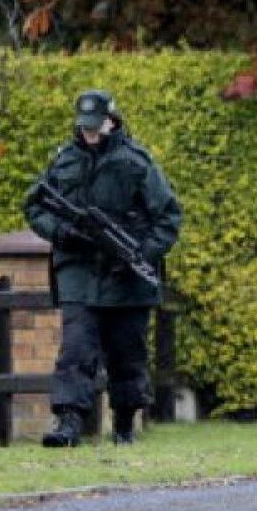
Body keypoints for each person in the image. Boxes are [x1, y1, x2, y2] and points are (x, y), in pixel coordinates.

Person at [24, 89, 182, 447]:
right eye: (84, 126)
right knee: (76, 349)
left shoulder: (137, 162)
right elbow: (35, 206)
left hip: (126, 276)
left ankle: (124, 424)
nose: (89, 132)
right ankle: (68, 424)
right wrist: (61, 232)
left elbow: (169, 217)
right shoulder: (63, 160)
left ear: (113, 121)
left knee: (127, 353)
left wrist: (141, 252)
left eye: (96, 126)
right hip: (78, 272)